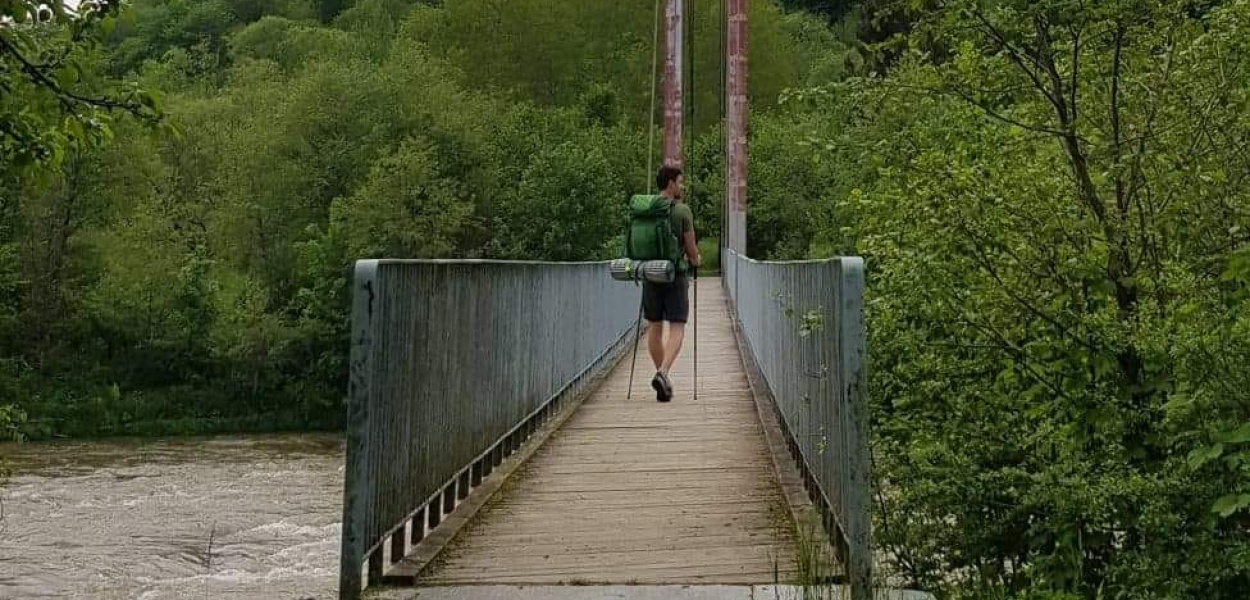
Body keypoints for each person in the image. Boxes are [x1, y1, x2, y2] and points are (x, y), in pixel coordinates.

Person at [645, 166, 700, 402]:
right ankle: (663, 373)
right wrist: (697, 259)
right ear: (670, 184)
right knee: (677, 325)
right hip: (674, 275)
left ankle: (662, 381)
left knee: (655, 327)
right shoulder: (682, 211)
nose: (682, 186)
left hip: (649, 272)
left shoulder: (647, 208)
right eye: (680, 182)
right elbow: (692, 251)